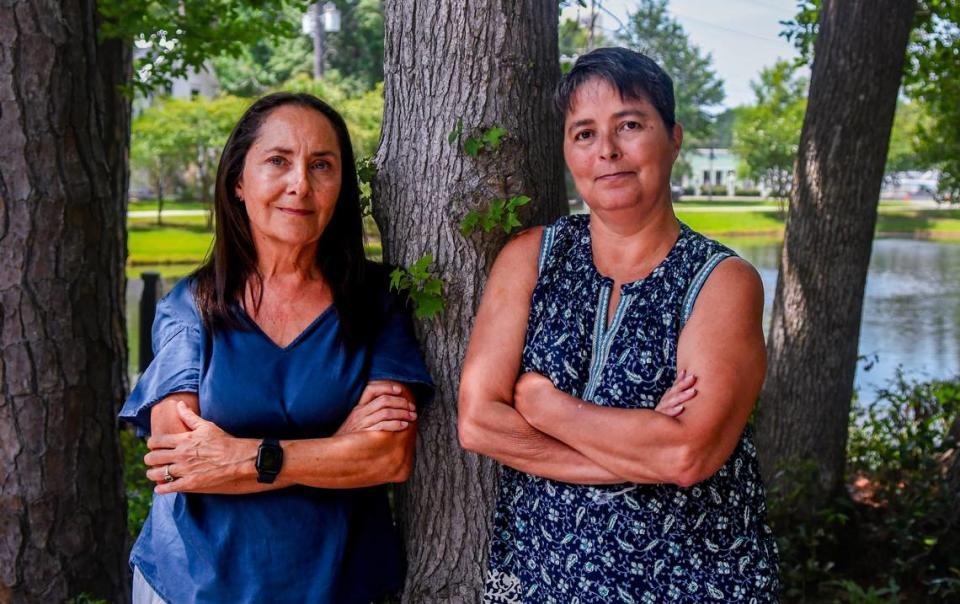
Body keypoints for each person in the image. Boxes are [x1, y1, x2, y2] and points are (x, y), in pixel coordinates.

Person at [458, 48, 779, 602]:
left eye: (629, 125)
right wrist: (633, 453)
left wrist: (544, 407)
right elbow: (479, 423)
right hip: (539, 579)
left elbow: (686, 455)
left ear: (673, 138)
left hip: (693, 581)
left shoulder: (722, 281)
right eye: (583, 133)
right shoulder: (530, 258)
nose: (606, 150)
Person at [119, 92, 433, 603]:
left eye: (322, 165)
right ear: (238, 182)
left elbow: (389, 457)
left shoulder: (375, 302)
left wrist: (243, 456)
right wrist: (335, 444)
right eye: (278, 161)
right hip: (192, 587)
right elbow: (180, 466)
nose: (300, 185)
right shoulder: (192, 307)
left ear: (341, 187)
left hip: (338, 585)